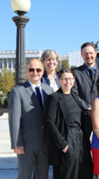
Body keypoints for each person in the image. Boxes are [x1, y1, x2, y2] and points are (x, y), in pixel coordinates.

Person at [8, 59, 54, 179]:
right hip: (26, 145)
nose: (35, 72)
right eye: (31, 70)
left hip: (45, 144)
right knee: (25, 176)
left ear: (42, 71)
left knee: (43, 176)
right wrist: (16, 143)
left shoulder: (48, 91)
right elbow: (14, 120)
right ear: (26, 71)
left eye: (38, 70)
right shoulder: (17, 91)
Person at [44, 68, 83, 179]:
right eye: (64, 79)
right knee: (65, 175)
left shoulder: (75, 96)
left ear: (74, 80)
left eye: (70, 79)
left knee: (76, 174)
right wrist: (63, 144)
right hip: (65, 139)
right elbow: (49, 123)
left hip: (78, 139)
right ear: (58, 80)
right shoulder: (54, 98)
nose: (68, 82)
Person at [72, 42, 99, 179]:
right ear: (82, 55)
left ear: (95, 54)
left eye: (91, 53)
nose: (89, 56)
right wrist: (88, 108)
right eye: (85, 53)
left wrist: (97, 110)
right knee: (83, 148)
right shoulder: (76, 73)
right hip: (83, 117)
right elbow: (74, 93)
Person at [40, 49, 61, 179]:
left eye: (53, 59)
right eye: (48, 59)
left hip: (61, 124)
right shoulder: (40, 79)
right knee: (43, 162)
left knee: (59, 162)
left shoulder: (62, 77)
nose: (51, 62)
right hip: (46, 124)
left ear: (57, 62)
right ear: (43, 62)